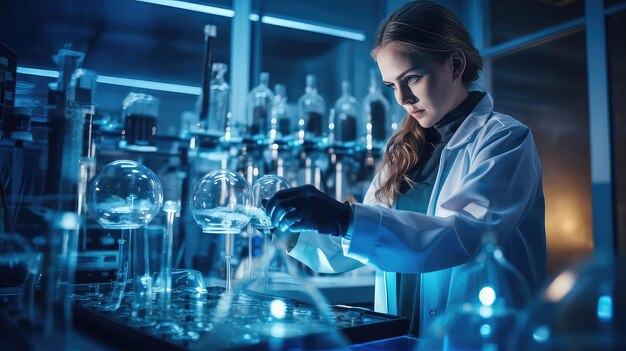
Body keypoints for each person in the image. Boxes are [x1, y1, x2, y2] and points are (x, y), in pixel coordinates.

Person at [265, 0, 546, 337]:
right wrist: (292, 227)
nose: (402, 98)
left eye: (411, 78)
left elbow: (464, 237)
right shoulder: (402, 150)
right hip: (404, 335)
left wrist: (344, 217)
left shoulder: (505, 139)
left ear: (455, 65)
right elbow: (355, 251)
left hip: (478, 336)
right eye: (391, 86)